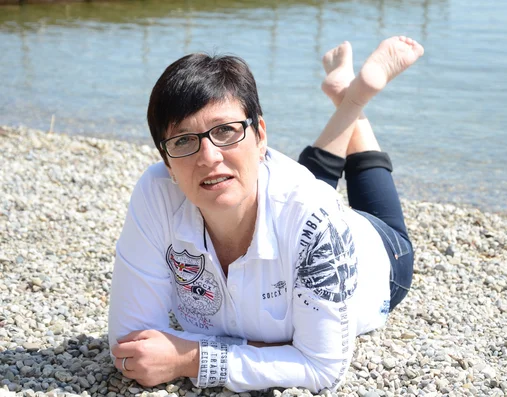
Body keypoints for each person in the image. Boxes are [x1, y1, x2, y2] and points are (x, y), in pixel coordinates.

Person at [108, 36, 424, 393]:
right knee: (267, 186)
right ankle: (346, 97)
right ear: (165, 162)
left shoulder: (314, 217)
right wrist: (273, 356)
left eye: (225, 130)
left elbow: (323, 368)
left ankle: (355, 99)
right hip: (281, 203)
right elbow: (130, 346)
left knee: (322, 204)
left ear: (261, 136)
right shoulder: (156, 193)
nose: (208, 156)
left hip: (379, 253)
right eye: (183, 140)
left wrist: (191, 357)